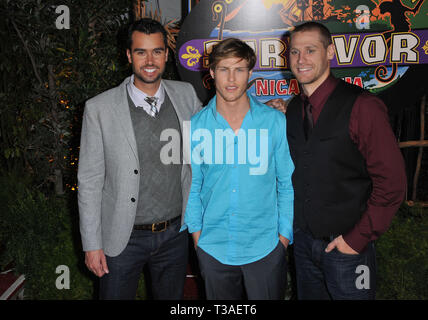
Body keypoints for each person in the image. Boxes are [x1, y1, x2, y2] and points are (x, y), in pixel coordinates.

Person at [77, 18, 202, 300]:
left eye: (157, 51)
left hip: (174, 234)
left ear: (166, 55)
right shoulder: (99, 109)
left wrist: (264, 109)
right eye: (141, 52)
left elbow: (222, 121)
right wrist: (92, 243)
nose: (150, 60)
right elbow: (89, 181)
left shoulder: (185, 96)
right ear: (128, 55)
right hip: (122, 237)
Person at [284, 21, 407, 299]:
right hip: (303, 246)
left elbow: (393, 183)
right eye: (294, 52)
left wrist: (357, 239)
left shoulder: (363, 106)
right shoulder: (293, 109)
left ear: (330, 52)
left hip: (349, 251)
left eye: (310, 50)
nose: (301, 59)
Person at [183, 38, 295, 299]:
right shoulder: (196, 126)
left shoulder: (274, 121)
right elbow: (192, 186)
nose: (231, 79)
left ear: (250, 73)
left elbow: (285, 183)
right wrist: (199, 240)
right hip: (213, 250)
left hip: (266, 249)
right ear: (211, 73)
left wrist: (283, 239)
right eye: (223, 69)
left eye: (239, 69)